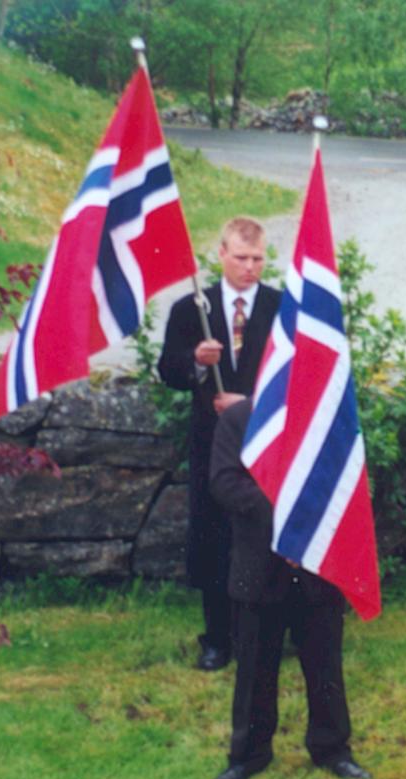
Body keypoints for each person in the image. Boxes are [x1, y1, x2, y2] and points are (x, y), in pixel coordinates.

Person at [206, 396, 372, 779]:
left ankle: (332, 748)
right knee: (254, 667)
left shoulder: (325, 414)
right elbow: (225, 483)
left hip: (316, 565)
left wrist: (308, 534)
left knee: (324, 664)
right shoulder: (238, 419)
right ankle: (249, 754)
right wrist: (287, 529)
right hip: (259, 562)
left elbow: (343, 476)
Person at [158, 217, 280, 672]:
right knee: (212, 532)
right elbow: (166, 370)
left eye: (258, 259)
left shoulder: (280, 307)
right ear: (221, 256)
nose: (250, 267)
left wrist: (249, 402)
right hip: (213, 443)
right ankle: (217, 638)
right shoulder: (194, 309)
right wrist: (195, 361)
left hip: (266, 440)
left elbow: (295, 378)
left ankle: (264, 630)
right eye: (242, 258)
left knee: (262, 530)